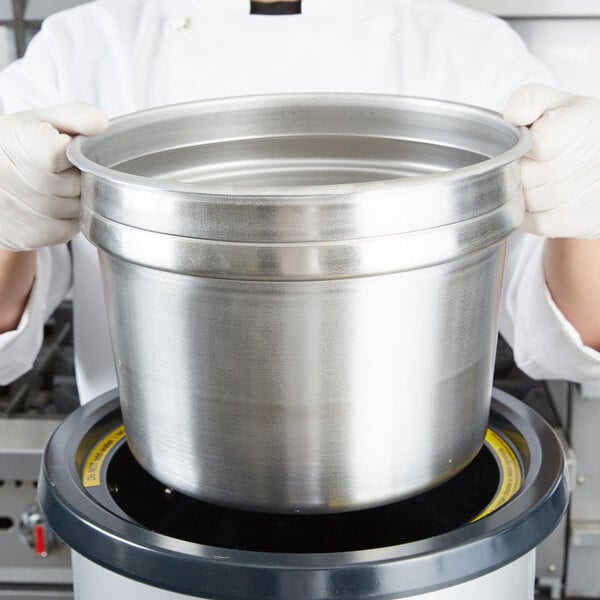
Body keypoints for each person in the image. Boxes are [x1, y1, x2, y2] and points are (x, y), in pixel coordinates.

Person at [0, 0, 599, 404]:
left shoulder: (471, 49)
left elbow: (572, 337)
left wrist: (592, 211)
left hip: (429, 477)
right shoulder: (83, 47)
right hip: (142, 484)